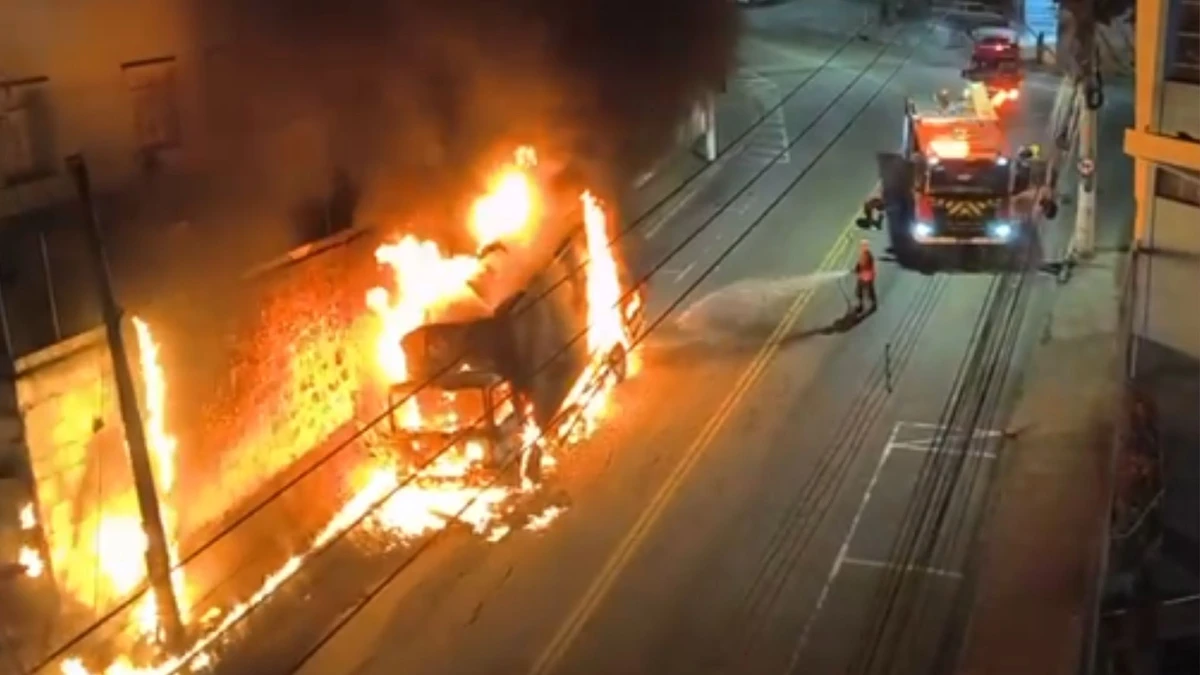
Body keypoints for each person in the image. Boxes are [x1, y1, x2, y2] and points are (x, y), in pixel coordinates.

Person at [854, 239, 877, 314]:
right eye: (862, 246)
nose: (862, 247)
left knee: (870, 292)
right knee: (859, 291)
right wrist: (856, 268)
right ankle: (861, 306)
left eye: (864, 246)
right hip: (862, 277)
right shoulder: (863, 254)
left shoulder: (869, 256)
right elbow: (859, 263)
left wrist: (858, 269)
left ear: (866, 247)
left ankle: (874, 304)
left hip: (868, 277)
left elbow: (864, 265)